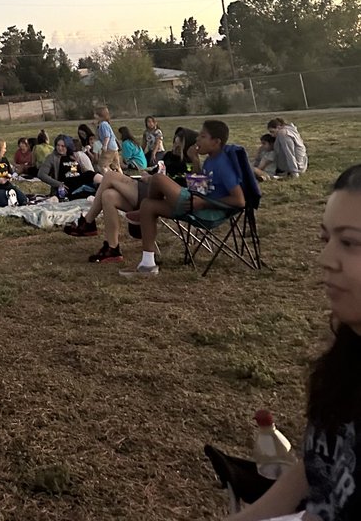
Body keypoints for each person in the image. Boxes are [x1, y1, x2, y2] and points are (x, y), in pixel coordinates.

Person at [227, 163, 361, 520]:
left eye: (349, 242)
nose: (325, 258)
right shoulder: (349, 353)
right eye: (325, 239)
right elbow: (315, 465)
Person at [119, 119, 245, 279]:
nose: (197, 139)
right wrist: (195, 160)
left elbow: (240, 201)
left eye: (203, 136)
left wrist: (204, 202)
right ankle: (147, 265)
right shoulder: (211, 160)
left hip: (208, 210)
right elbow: (202, 185)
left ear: (216, 142)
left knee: (157, 179)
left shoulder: (223, 164)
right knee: (148, 205)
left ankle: (139, 214)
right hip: (196, 201)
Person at [94, 107, 122, 173]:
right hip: (114, 148)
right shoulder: (105, 124)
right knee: (117, 166)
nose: (94, 115)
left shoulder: (103, 124)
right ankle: (122, 178)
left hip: (109, 148)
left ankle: (107, 178)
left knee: (102, 165)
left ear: (99, 115)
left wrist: (105, 145)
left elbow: (107, 136)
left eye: (95, 114)